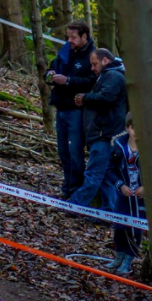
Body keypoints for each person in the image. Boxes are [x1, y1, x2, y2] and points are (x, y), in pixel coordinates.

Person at [67, 47, 127, 208]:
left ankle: (74, 205)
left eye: (94, 64)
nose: (92, 68)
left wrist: (85, 98)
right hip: (103, 134)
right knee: (106, 176)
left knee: (94, 173)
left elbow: (106, 97)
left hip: (105, 134)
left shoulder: (113, 76)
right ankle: (108, 212)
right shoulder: (106, 76)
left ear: (105, 60)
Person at [44, 20, 96, 199]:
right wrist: (49, 75)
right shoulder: (65, 51)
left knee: (75, 152)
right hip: (62, 106)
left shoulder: (92, 56)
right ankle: (67, 187)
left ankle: (75, 190)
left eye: (73, 37)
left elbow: (92, 81)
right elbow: (52, 66)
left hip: (77, 110)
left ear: (84, 36)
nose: (70, 40)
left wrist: (68, 80)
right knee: (63, 151)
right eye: (68, 37)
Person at [103, 112, 144, 275]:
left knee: (135, 228)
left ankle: (128, 259)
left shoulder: (151, 150)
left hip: (141, 198)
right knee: (120, 226)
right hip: (123, 194)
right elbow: (110, 169)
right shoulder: (119, 146)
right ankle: (119, 256)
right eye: (135, 129)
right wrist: (120, 185)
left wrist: (146, 187)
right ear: (128, 128)